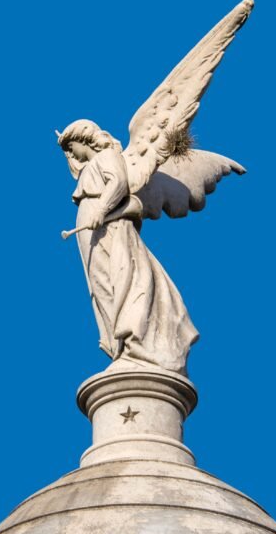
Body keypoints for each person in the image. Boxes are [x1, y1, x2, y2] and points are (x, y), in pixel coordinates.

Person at [59, 119, 198, 374]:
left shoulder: (107, 157)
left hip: (111, 230)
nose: (70, 155)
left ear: (82, 139)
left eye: (70, 147)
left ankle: (135, 345)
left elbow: (119, 182)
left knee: (121, 282)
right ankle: (121, 347)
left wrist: (101, 208)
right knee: (102, 288)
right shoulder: (92, 165)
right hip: (95, 233)